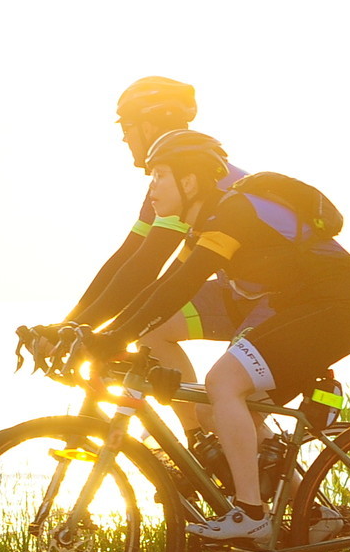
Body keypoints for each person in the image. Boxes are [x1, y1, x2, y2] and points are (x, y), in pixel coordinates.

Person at [86, 130, 350, 548]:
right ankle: (316, 517)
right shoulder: (206, 223)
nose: (151, 187)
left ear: (189, 181)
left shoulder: (235, 212)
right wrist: (101, 334)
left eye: (160, 175)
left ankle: (251, 515)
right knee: (219, 410)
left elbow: (182, 284)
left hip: (337, 308)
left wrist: (111, 338)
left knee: (223, 383)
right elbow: (164, 289)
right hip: (302, 310)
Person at [57, 77, 260, 435]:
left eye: (126, 127)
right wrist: (72, 325)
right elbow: (127, 256)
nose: (124, 138)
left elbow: (146, 265)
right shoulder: (168, 178)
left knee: (223, 406)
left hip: (271, 303)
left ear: (148, 125)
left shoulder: (190, 177)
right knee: (151, 330)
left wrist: (87, 330)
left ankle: (218, 440)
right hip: (238, 293)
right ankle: (201, 439)